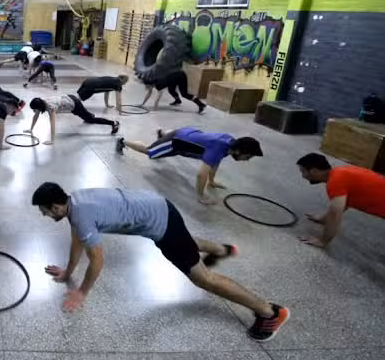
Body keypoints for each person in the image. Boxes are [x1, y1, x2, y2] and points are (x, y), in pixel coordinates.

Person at [31, 182, 290, 342]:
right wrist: (68, 272)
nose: (43, 215)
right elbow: (78, 240)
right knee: (185, 241)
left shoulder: (81, 216)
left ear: (55, 207)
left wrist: (81, 293)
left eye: (43, 210)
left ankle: (270, 312)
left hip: (160, 224)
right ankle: (223, 249)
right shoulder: (75, 200)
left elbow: (97, 260)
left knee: (203, 279)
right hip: (158, 206)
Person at [116, 127, 263, 205]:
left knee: (178, 139)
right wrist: (200, 196)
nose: (247, 159)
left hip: (189, 133)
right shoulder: (218, 149)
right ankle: (123, 141)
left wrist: (211, 182)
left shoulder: (229, 143)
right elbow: (201, 174)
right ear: (239, 151)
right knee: (150, 152)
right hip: (176, 142)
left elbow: (216, 162)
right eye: (248, 156)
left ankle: (163, 133)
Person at [296, 153, 385, 248]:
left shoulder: (335, 181)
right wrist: (323, 219)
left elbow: (335, 213)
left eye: (303, 172)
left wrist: (323, 241)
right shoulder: (340, 172)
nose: (303, 176)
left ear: (313, 171)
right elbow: (343, 204)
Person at [27, 96, 119, 145]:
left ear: (39, 107)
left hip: (75, 105)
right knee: (86, 116)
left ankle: (113, 123)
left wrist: (52, 140)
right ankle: (88, 115)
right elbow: (36, 116)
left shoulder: (50, 107)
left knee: (90, 119)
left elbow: (53, 123)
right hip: (69, 98)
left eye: (34, 109)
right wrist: (31, 129)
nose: (34, 111)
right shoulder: (41, 101)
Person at [140, 70, 206, 113]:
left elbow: (157, 99)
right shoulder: (153, 82)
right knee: (171, 90)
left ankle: (201, 105)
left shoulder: (159, 84)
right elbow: (149, 93)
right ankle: (178, 101)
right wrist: (142, 104)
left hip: (180, 76)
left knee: (184, 94)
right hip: (172, 78)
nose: (146, 88)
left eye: (147, 86)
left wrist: (154, 108)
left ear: (151, 84)